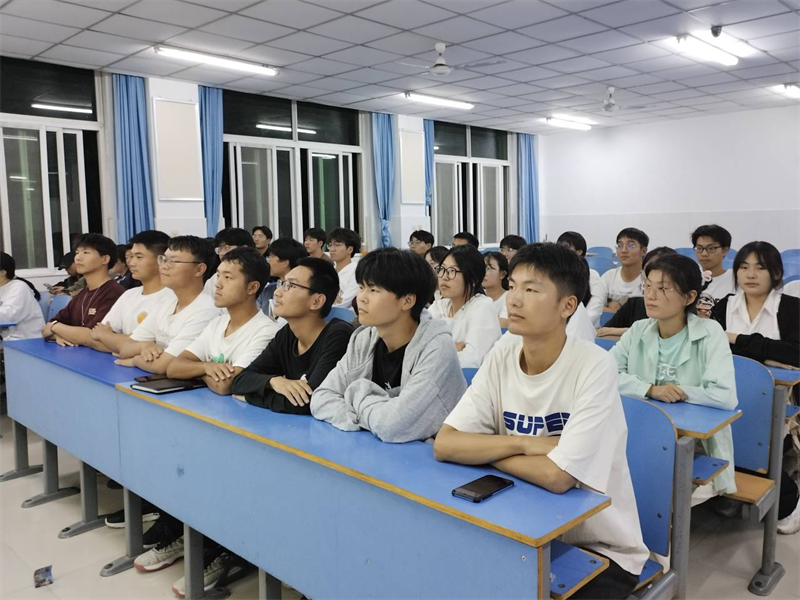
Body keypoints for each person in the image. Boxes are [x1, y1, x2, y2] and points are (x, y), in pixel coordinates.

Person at [434, 243, 648, 600]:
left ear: (568, 305)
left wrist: (485, 453)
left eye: (531, 290)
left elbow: (558, 477)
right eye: (513, 286)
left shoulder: (594, 365)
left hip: (596, 545)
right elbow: (446, 444)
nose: (514, 300)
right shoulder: (504, 351)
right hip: (518, 523)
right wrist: (526, 444)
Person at [610, 253, 737, 506]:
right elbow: (605, 374)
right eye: (647, 286)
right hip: (642, 432)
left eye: (663, 288)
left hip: (695, 444)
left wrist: (677, 392)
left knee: (654, 500)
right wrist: (650, 389)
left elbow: (724, 395)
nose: (650, 295)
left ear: (689, 297)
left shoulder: (710, 332)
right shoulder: (639, 329)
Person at [311, 248, 466, 442]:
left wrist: (356, 394)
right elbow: (321, 398)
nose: (361, 298)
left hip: (430, 456)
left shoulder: (436, 348)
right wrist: (372, 419)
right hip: (376, 449)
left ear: (407, 301)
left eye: (373, 290)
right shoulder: (363, 339)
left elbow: (393, 426)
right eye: (361, 287)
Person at [711, 241, 800, 534]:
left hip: (780, 397)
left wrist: (736, 339)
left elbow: (796, 354)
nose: (750, 274)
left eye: (760, 268)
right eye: (744, 267)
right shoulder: (725, 305)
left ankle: (789, 500)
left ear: (776, 273)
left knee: (751, 438)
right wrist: (769, 353)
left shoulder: (791, 307)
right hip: (727, 393)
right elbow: (711, 346)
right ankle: (732, 485)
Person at [231, 258, 353, 414]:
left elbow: (310, 402)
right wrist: (273, 381)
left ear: (316, 301)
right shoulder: (287, 334)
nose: (277, 292)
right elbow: (240, 381)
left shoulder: (339, 336)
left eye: (290, 286)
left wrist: (249, 397)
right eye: (282, 283)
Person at [168, 247, 279, 395]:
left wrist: (196, 372)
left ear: (252, 287)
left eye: (227, 277)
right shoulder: (218, 323)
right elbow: (173, 368)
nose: (218, 284)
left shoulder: (265, 331)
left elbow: (226, 385)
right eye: (218, 275)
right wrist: (207, 367)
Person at [116, 236, 219, 375]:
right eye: (163, 259)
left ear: (199, 269)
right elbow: (125, 349)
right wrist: (144, 346)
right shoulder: (167, 302)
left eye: (173, 261)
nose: (164, 266)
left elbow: (164, 365)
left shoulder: (206, 310)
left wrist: (134, 360)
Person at [90, 231, 174, 354]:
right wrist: (125, 344)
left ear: (162, 260)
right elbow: (95, 338)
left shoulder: (172, 298)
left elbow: (155, 348)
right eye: (131, 256)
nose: (131, 263)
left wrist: (107, 337)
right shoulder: (129, 295)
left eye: (139, 257)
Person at [41, 233, 125, 347]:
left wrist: (55, 327)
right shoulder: (83, 294)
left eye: (86, 252)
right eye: (77, 252)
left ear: (105, 259)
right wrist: (56, 335)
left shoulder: (114, 292)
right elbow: (46, 329)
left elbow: (91, 336)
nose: (78, 258)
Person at [429, 245, 501, 367]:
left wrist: (432, 352)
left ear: (473, 279)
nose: (444, 277)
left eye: (452, 271)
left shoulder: (482, 306)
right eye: (442, 269)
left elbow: (470, 362)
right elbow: (415, 349)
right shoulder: (439, 306)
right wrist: (455, 346)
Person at [597, 247, 677, 339]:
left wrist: (620, 332)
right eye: (646, 271)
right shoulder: (633, 305)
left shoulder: (680, 315)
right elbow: (603, 333)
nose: (650, 276)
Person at [557, 231, 605, 327]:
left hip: (584, 327)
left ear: (579, 252)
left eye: (565, 247)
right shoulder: (556, 274)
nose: (560, 251)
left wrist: (571, 328)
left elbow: (595, 308)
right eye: (559, 247)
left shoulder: (592, 275)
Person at [598, 228, 649, 313]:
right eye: (620, 245)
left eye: (631, 245)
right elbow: (594, 307)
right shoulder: (609, 277)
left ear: (643, 251)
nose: (623, 250)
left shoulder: (649, 279)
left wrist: (620, 311)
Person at [0, 252, 45, 341]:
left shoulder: (19, 287)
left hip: (25, 340)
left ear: (2, 272)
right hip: (8, 338)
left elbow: (8, 316)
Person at [692, 225, 735, 316]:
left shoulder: (735, 279)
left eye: (711, 248)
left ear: (725, 250)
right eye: (699, 248)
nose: (704, 254)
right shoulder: (688, 278)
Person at [261, 238, 309, 315]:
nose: (268, 261)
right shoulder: (268, 290)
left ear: (285, 263)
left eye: (271, 257)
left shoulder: (301, 291)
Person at [204, 228, 255, 296]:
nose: (222, 253)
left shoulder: (255, 273)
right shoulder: (213, 279)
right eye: (220, 249)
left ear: (244, 248)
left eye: (227, 248)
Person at [328, 227, 361, 309]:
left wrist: (326, 299)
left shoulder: (356, 272)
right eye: (330, 245)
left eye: (337, 245)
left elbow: (343, 303)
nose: (332, 249)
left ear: (350, 249)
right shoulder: (328, 271)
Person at [482, 251, 509, 329]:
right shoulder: (476, 297)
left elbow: (502, 325)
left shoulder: (509, 297)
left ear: (502, 274)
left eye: (489, 268)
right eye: (482, 267)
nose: (483, 272)